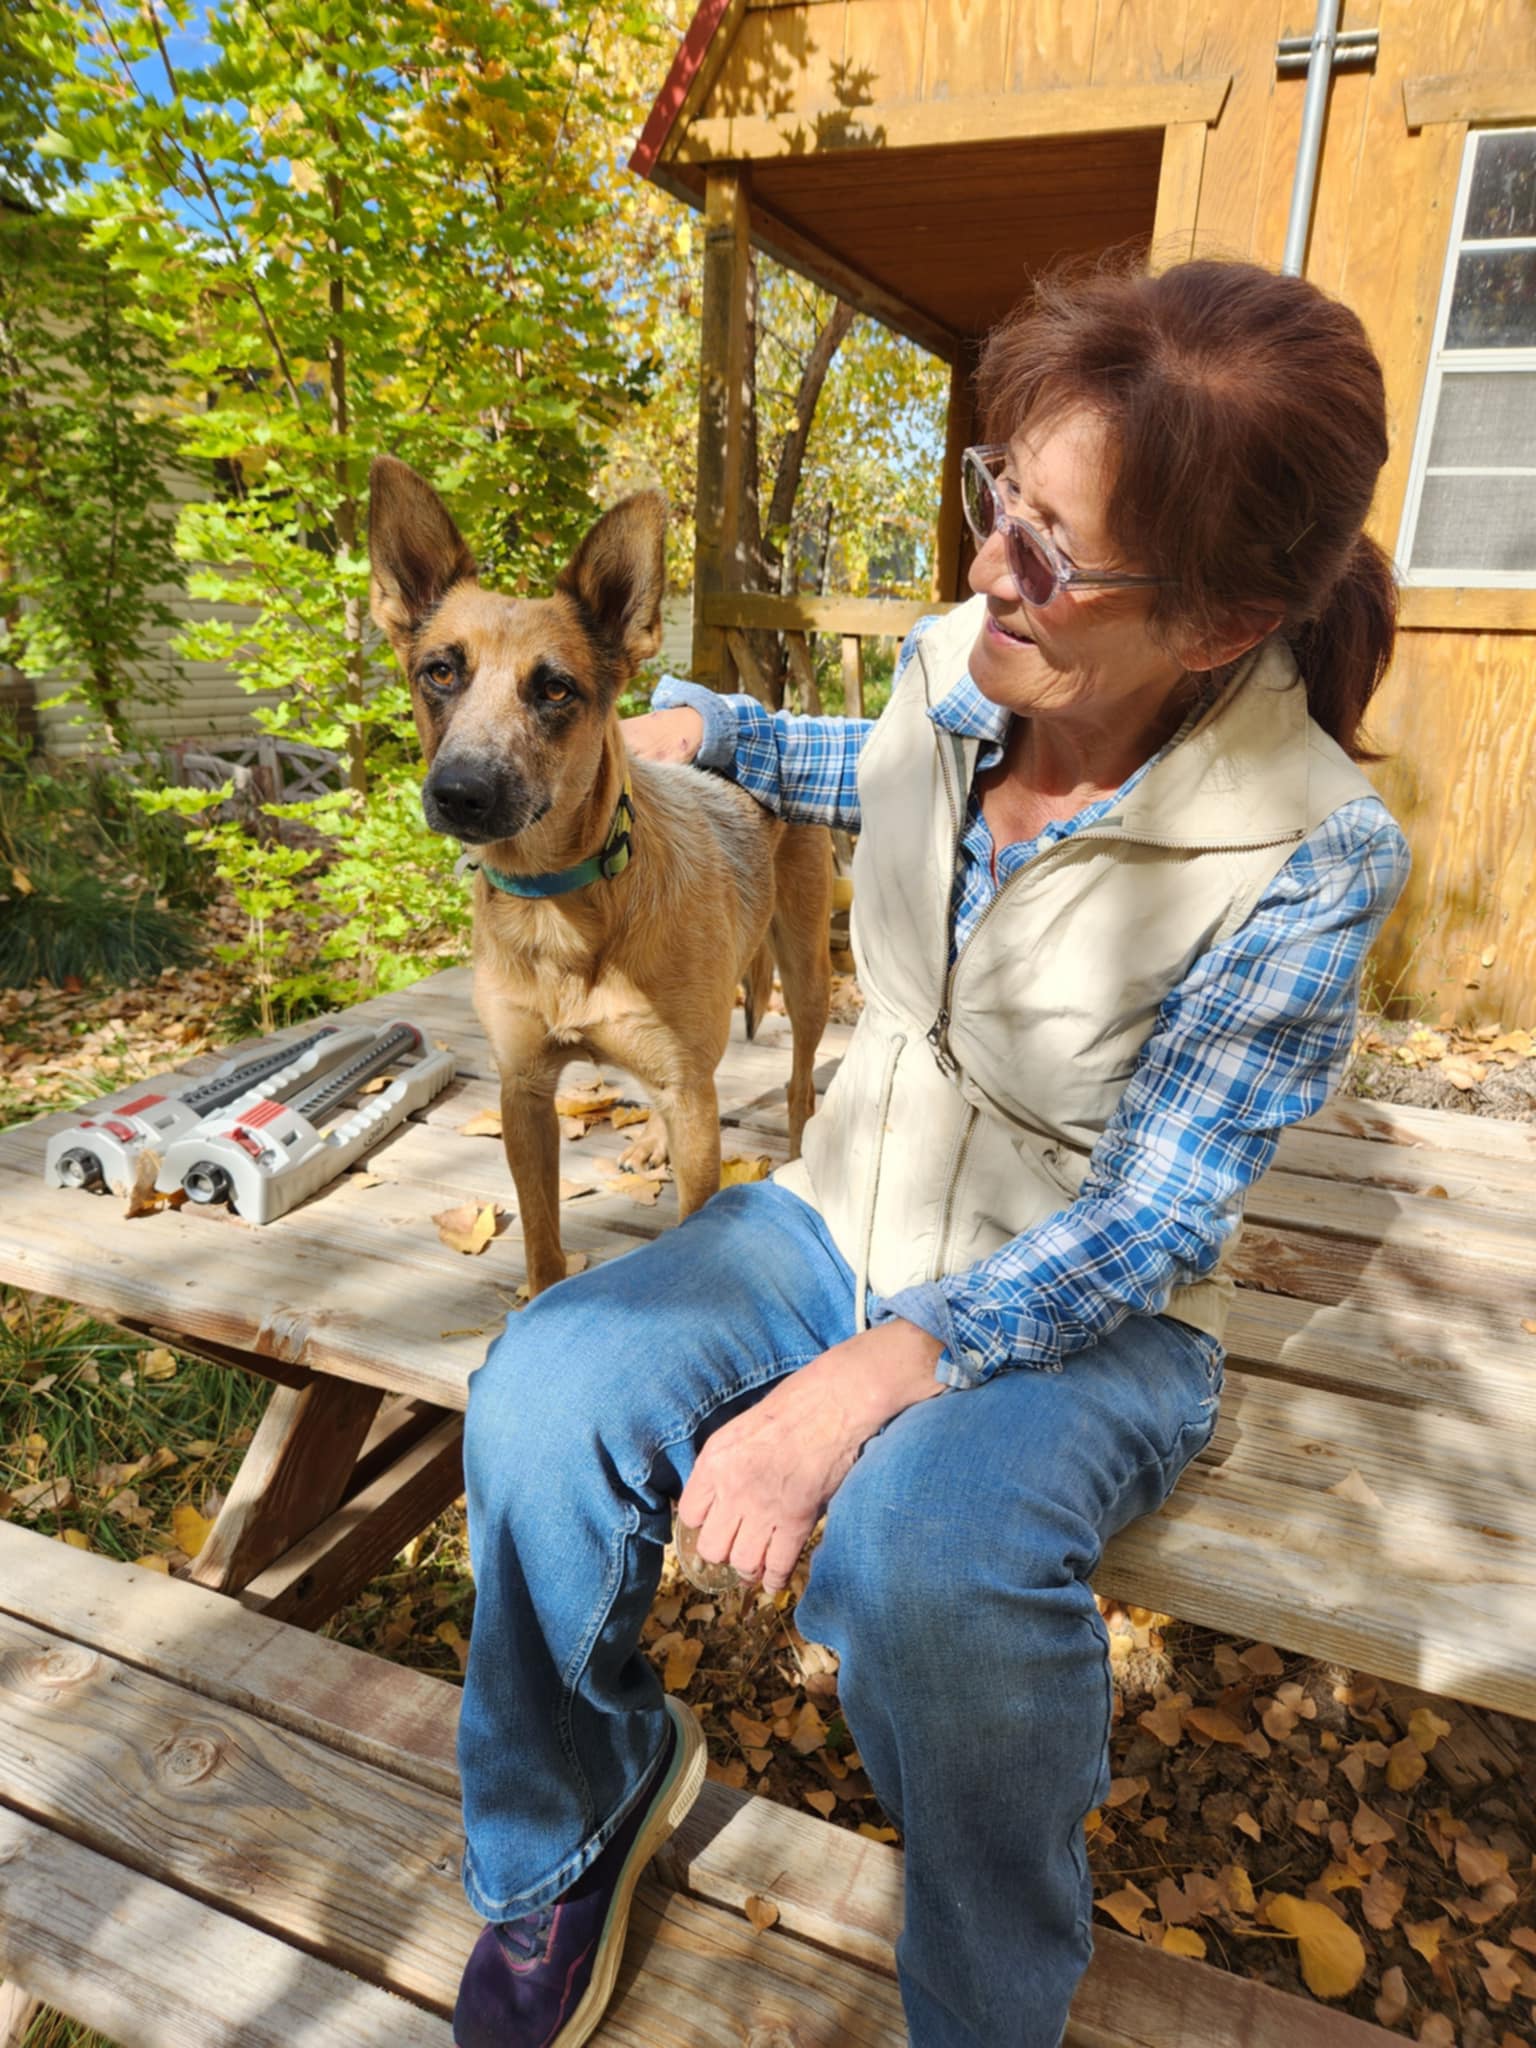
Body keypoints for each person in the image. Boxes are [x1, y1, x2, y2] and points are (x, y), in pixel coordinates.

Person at [449, 257, 1411, 2048]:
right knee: (536, 1392)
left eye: (1052, 547)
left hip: (1090, 1308)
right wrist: (719, 734)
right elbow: (870, 771)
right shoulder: (963, 671)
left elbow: (1156, 1215)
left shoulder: (1315, 851)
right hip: (837, 1210)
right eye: (998, 497)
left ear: (1215, 625)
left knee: (921, 1562)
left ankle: (985, 2005)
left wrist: (876, 1377)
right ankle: (576, 1818)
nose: (989, 567)